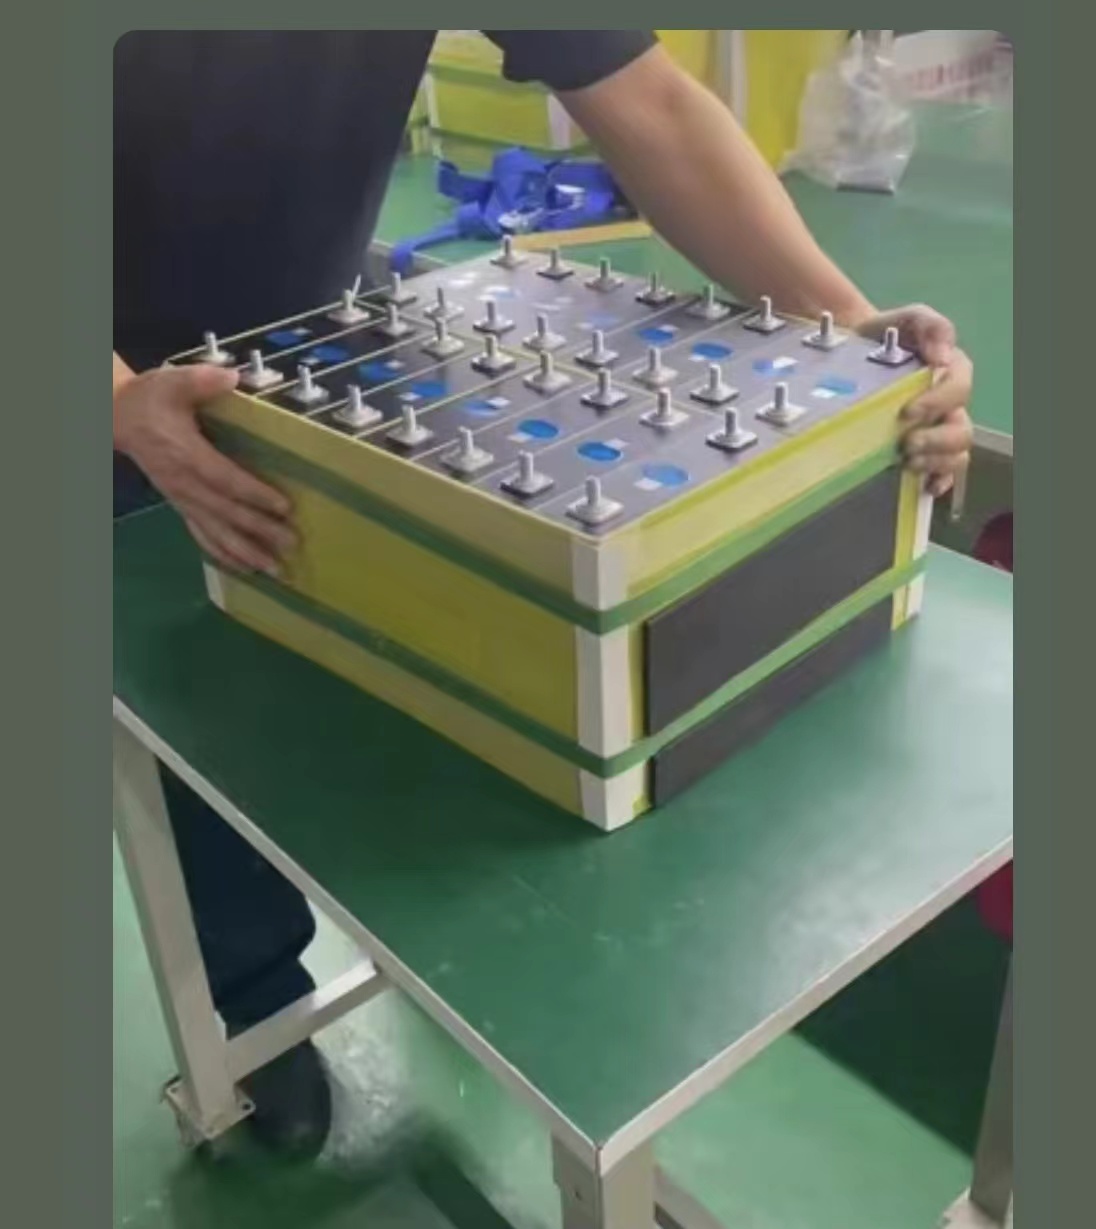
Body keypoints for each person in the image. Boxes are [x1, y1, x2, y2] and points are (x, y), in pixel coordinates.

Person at [113, 30, 974, 1158]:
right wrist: (114, 399)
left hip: (319, 327)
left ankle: (442, 947)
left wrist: (844, 326)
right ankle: (261, 999)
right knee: (197, 702)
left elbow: (646, 100)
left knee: (424, 653)